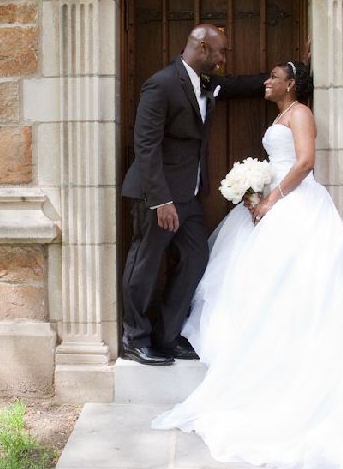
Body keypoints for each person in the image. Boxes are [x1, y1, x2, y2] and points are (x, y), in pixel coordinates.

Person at [152, 61, 343, 469]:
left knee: (294, 283)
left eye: (274, 76)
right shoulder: (278, 116)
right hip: (272, 201)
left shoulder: (300, 114)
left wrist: (272, 197)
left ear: (291, 84)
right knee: (254, 285)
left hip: (296, 206)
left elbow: (306, 161)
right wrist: (253, 189)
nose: (267, 82)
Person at [121, 25, 293, 366]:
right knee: (145, 264)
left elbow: (244, 84)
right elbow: (146, 145)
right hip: (157, 197)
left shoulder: (207, 83)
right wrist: (161, 200)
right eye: (220, 52)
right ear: (201, 47)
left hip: (188, 196)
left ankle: (167, 337)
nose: (223, 59)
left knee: (197, 259)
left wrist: (297, 72)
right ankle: (134, 339)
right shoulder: (162, 83)